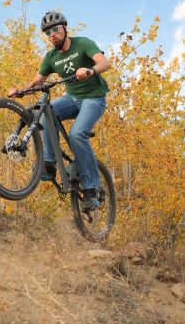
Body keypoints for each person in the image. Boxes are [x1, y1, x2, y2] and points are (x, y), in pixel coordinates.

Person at [8, 11, 111, 211]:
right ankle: (49, 163)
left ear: (64, 28)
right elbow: (38, 81)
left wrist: (89, 70)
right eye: (48, 33)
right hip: (72, 99)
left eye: (55, 29)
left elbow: (104, 62)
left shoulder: (82, 44)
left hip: (93, 98)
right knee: (46, 112)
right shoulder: (51, 57)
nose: (52, 35)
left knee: (76, 134)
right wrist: (20, 90)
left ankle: (92, 188)